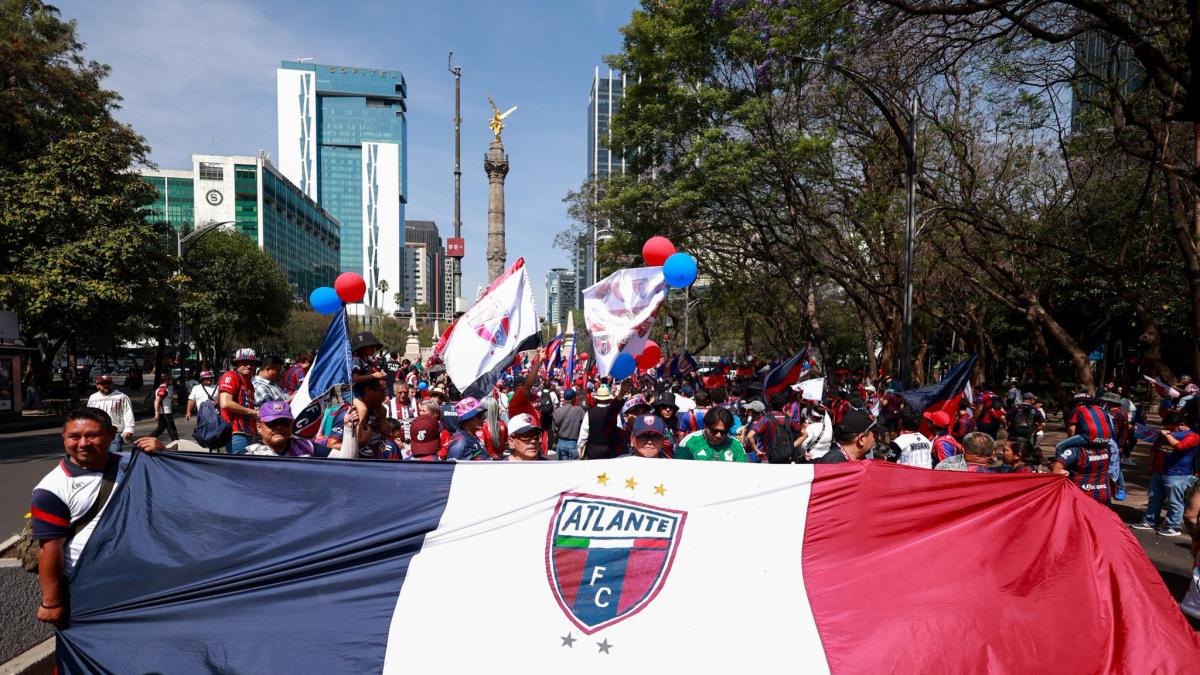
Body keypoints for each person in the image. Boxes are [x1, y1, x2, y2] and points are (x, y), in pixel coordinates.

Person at [29, 407, 129, 627]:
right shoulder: (51, 489)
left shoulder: (131, 463)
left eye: (92, 435)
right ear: (63, 438)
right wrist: (51, 602)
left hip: (132, 579)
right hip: (85, 587)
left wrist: (160, 452)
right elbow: (50, 548)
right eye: (74, 436)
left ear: (112, 434)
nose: (83, 443)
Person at [1133, 413, 1199, 536]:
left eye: (1171, 427)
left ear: (1182, 425)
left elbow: (1180, 446)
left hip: (1178, 475)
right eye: (1166, 427)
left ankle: (1173, 526)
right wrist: (1151, 465)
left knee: (1175, 502)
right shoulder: (1165, 434)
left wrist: (1167, 435)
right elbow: (1155, 449)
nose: (1168, 430)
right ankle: (1149, 521)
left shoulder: (1193, 436)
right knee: (1154, 498)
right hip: (1159, 472)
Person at [218, 348, 260, 455]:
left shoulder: (249, 383)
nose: (249, 366)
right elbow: (225, 403)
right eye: (244, 362)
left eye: (252, 363)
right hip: (235, 434)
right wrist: (253, 412)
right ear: (237, 364)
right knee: (239, 467)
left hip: (249, 433)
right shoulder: (231, 376)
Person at [675, 406, 748, 462]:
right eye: (714, 431)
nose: (718, 435)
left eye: (723, 432)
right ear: (706, 426)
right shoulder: (689, 442)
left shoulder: (736, 445)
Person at [86, 374, 134, 453]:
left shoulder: (121, 397)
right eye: (102, 384)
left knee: (114, 453)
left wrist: (129, 429)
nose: (106, 386)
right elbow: (89, 414)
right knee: (99, 454)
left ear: (111, 384)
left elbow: (128, 413)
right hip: (98, 432)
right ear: (97, 386)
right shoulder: (93, 397)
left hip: (116, 432)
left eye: (108, 383)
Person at [578, 384, 623, 460]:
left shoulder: (589, 414)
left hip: (593, 453)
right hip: (610, 452)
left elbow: (583, 436)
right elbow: (619, 432)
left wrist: (580, 452)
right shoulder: (615, 414)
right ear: (609, 399)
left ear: (597, 399)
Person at [551, 389, 585, 460]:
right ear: (574, 398)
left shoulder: (557, 411)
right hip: (574, 442)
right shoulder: (579, 410)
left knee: (562, 468)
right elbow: (584, 427)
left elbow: (553, 430)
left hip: (561, 442)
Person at [149, 373, 179, 443]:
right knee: (172, 429)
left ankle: (146, 440)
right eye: (171, 380)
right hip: (165, 413)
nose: (172, 381)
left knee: (160, 429)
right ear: (166, 381)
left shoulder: (167, 388)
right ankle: (177, 443)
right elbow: (156, 401)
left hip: (165, 412)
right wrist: (156, 413)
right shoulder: (162, 390)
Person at [478, 395, 509, 459]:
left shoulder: (481, 426)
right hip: (500, 460)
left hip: (486, 462)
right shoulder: (503, 424)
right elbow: (506, 443)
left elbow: (480, 448)